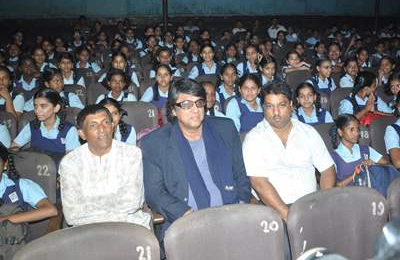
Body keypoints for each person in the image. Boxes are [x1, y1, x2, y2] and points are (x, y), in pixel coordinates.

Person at [141, 79, 251, 254]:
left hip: (232, 215)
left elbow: (241, 174)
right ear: (173, 110)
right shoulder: (154, 143)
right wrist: (184, 213)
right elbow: (154, 193)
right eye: (186, 104)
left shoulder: (225, 128)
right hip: (185, 223)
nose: (195, 109)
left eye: (199, 102)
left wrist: (242, 202)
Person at [242, 81, 335, 222]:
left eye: (282, 105)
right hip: (273, 212)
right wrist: (289, 216)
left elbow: (327, 169)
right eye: (269, 106)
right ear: (263, 108)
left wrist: (322, 204)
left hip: (311, 205)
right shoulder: (254, 138)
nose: (276, 112)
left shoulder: (308, 132)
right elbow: (259, 183)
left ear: (291, 105)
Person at [59, 105, 150, 229]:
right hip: (86, 231)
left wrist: (87, 203)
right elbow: (72, 214)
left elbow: (132, 202)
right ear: (82, 134)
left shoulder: (131, 154)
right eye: (93, 125)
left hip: (128, 227)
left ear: (113, 126)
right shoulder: (70, 162)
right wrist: (116, 207)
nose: (102, 129)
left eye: (106, 122)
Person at [0, 145, 58, 247]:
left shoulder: (21, 186)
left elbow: (50, 210)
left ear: (5, 165)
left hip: (11, 246)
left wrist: (5, 219)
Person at [11, 89, 80, 158]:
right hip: (33, 166)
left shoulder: (69, 130)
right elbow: (14, 146)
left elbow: (72, 160)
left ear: (56, 108)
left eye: (43, 106)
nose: (37, 111)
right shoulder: (31, 126)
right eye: (35, 106)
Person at [330, 114, 389, 187]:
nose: (356, 133)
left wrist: (373, 164)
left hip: (371, 190)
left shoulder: (365, 149)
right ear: (340, 132)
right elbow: (335, 186)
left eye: (357, 129)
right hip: (348, 195)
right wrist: (355, 174)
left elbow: (386, 164)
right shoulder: (334, 157)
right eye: (351, 129)